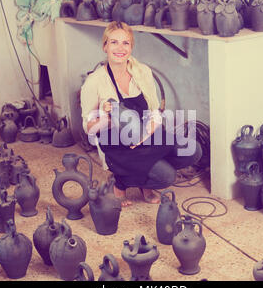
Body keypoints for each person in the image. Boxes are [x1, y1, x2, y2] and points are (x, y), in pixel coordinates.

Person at [80, 21, 202, 207]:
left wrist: (149, 130)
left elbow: (154, 110)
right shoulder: (94, 81)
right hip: (119, 146)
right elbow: (88, 128)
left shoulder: (142, 71)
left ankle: (144, 177)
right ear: (105, 46)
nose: (120, 48)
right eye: (114, 42)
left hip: (147, 134)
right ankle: (120, 182)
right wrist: (108, 117)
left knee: (193, 151)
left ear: (131, 47)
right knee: (166, 177)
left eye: (125, 43)